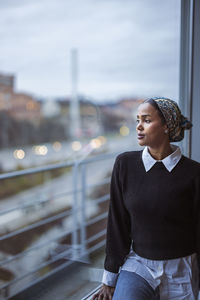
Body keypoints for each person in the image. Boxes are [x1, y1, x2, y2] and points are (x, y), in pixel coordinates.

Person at [92, 97, 200, 300]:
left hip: (182, 269)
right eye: (137, 120)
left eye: (147, 120)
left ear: (166, 126)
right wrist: (109, 278)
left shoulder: (194, 173)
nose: (139, 126)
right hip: (139, 266)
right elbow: (117, 223)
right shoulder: (125, 164)